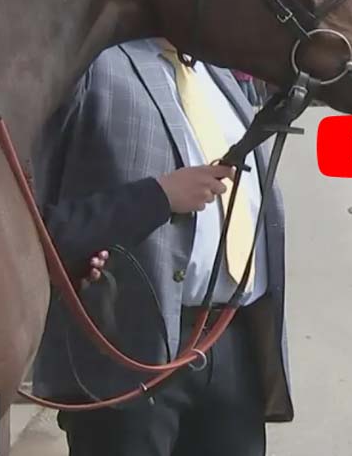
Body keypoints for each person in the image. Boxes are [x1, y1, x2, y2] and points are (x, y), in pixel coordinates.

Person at [30, 38, 291, 456]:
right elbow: (31, 224)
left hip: (232, 344)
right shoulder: (89, 67)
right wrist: (158, 197)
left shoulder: (218, 75)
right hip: (128, 356)